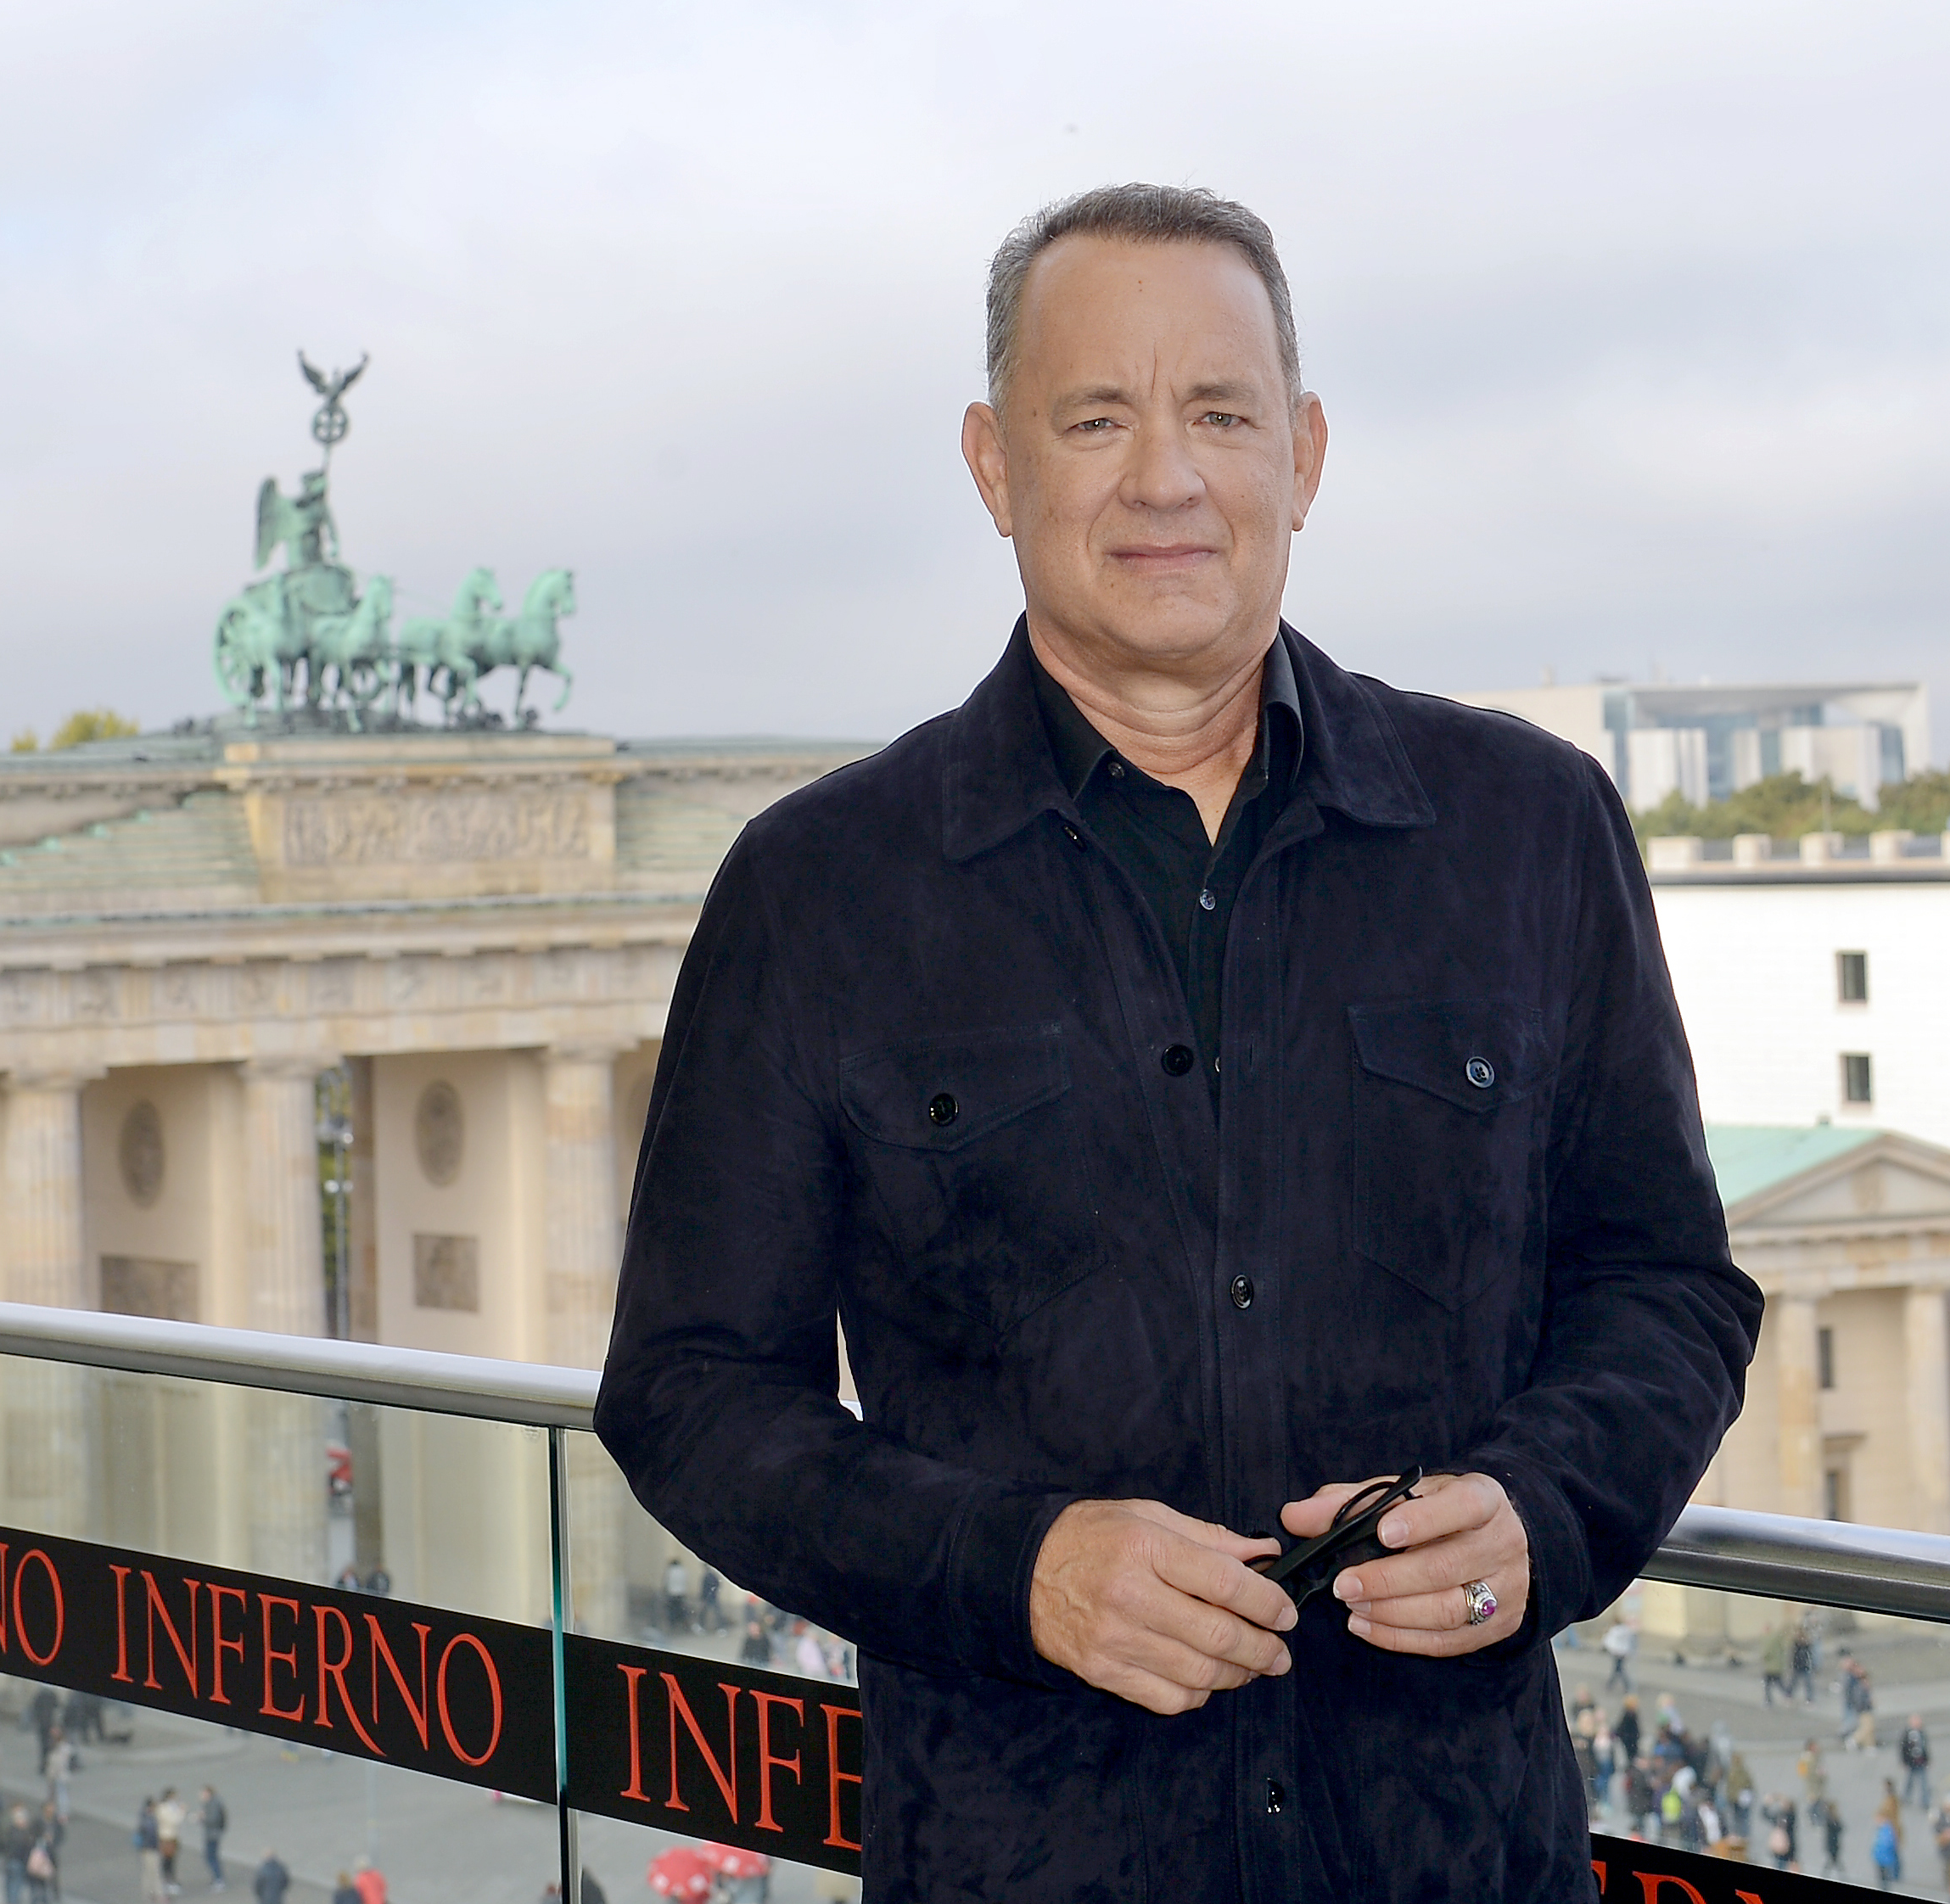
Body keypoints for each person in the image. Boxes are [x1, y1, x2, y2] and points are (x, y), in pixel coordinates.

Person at [595, 177, 1763, 1904]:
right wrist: (1014, 1569)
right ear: (995, 467)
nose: (1164, 478)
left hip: (1455, 1866)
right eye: (1096, 419)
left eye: (1216, 414)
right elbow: (687, 1393)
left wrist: (1538, 1508)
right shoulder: (816, 888)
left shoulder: (1528, 828)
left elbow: (1664, 1287)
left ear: (1298, 452)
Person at [199, 1786, 229, 1892]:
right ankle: (217, 1878)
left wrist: (202, 1818)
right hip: (214, 1834)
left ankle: (219, 1879)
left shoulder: (213, 1804)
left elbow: (213, 1819)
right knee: (211, 1856)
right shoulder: (214, 1803)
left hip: (212, 1835)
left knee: (211, 1857)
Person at [157, 1788, 188, 1894]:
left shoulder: (171, 1807)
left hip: (173, 1837)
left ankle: (170, 1880)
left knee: (172, 1860)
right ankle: (168, 1882)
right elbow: (174, 1821)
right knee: (167, 1861)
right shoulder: (163, 1808)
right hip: (167, 1838)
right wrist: (181, 1812)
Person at [137, 1799, 167, 1904]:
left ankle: (149, 1894)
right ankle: (158, 1896)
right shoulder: (150, 1820)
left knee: (148, 1872)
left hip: (146, 1849)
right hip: (151, 1849)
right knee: (155, 1872)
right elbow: (152, 1836)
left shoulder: (144, 1818)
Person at [1901, 1713, 1932, 1807]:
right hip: (1911, 1762)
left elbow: (1925, 1747)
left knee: (1923, 1782)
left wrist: (1928, 1759)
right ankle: (1905, 1797)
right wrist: (1904, 1761)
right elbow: (1903, 1748)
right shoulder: (1907, 1734)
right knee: (1909, 1781)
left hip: (1921, 1761)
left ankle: (1925, 1801)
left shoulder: (1922, 1733)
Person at [1605, 1612, 1639, 1694]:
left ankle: (1622, 1685)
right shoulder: (1626, 1630)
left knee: (1618, 1669)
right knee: (1618, 1669)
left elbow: (1609, 1641)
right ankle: (1612, 1685)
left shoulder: (1615, 1630)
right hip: (1623, 1653)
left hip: (1616, 1653)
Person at [1819, 1793, 1846, 1878]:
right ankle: (1839, 1875)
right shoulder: (1832, 1819)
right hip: (1833, 1842)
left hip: (1832, 1842)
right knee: (1833, 1860)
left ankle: (1826, 1875)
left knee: (1833, 1860)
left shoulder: (1831, 1819)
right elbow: (1838, 1829)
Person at [663, 1555, 690, 1632]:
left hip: (671, 1593)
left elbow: (666, 1582)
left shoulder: (670, 1571)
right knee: (681, 1610)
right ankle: (683, 1625)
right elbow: (686, 1582)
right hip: (681, 1593)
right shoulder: (683, 1571)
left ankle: (672, 1625)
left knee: (672, 1610)